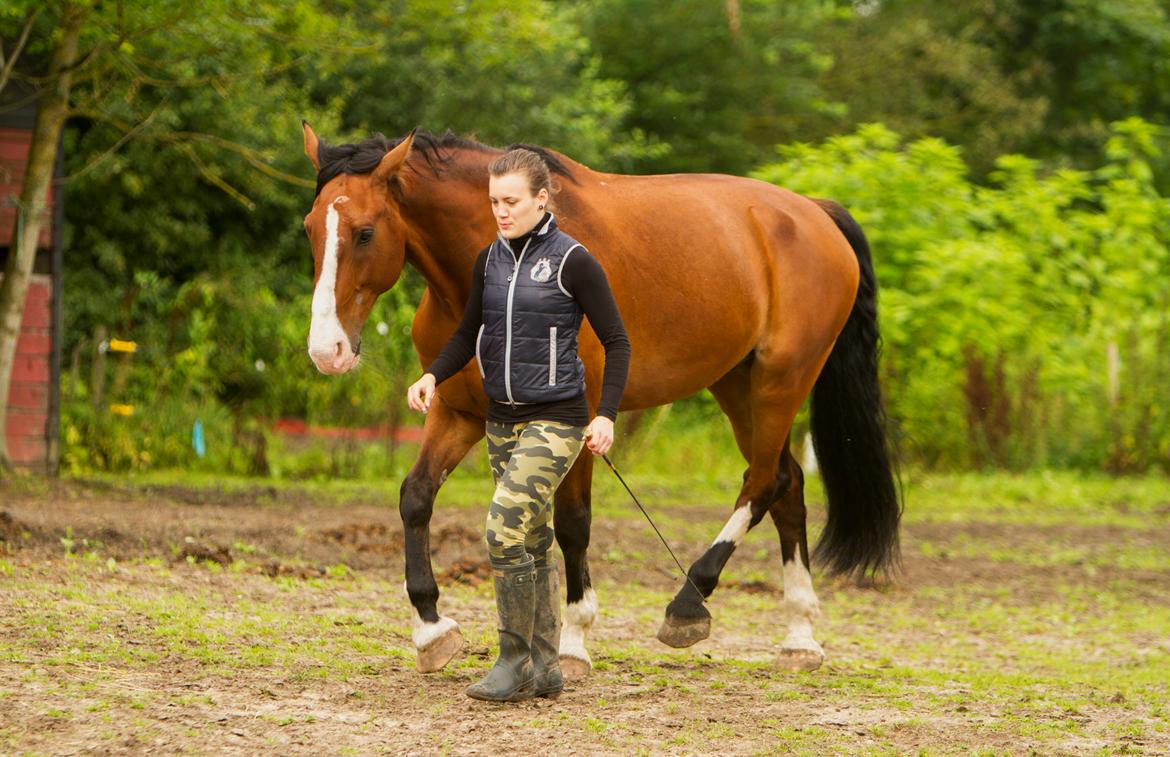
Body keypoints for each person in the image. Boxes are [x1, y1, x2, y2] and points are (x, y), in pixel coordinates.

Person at [406, 148, 630, 702]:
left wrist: (605, 414)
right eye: (494, 202)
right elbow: (466, 333)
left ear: (541, 199)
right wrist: (433, 375)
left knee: (502, 528)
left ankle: (512, 660)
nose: (501, 212)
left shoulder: (574, 261)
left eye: (511, 201)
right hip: (502, 420)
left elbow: (618, 342)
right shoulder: (490, 261)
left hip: (557, 418)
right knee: (531, 538)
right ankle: (546, 665)